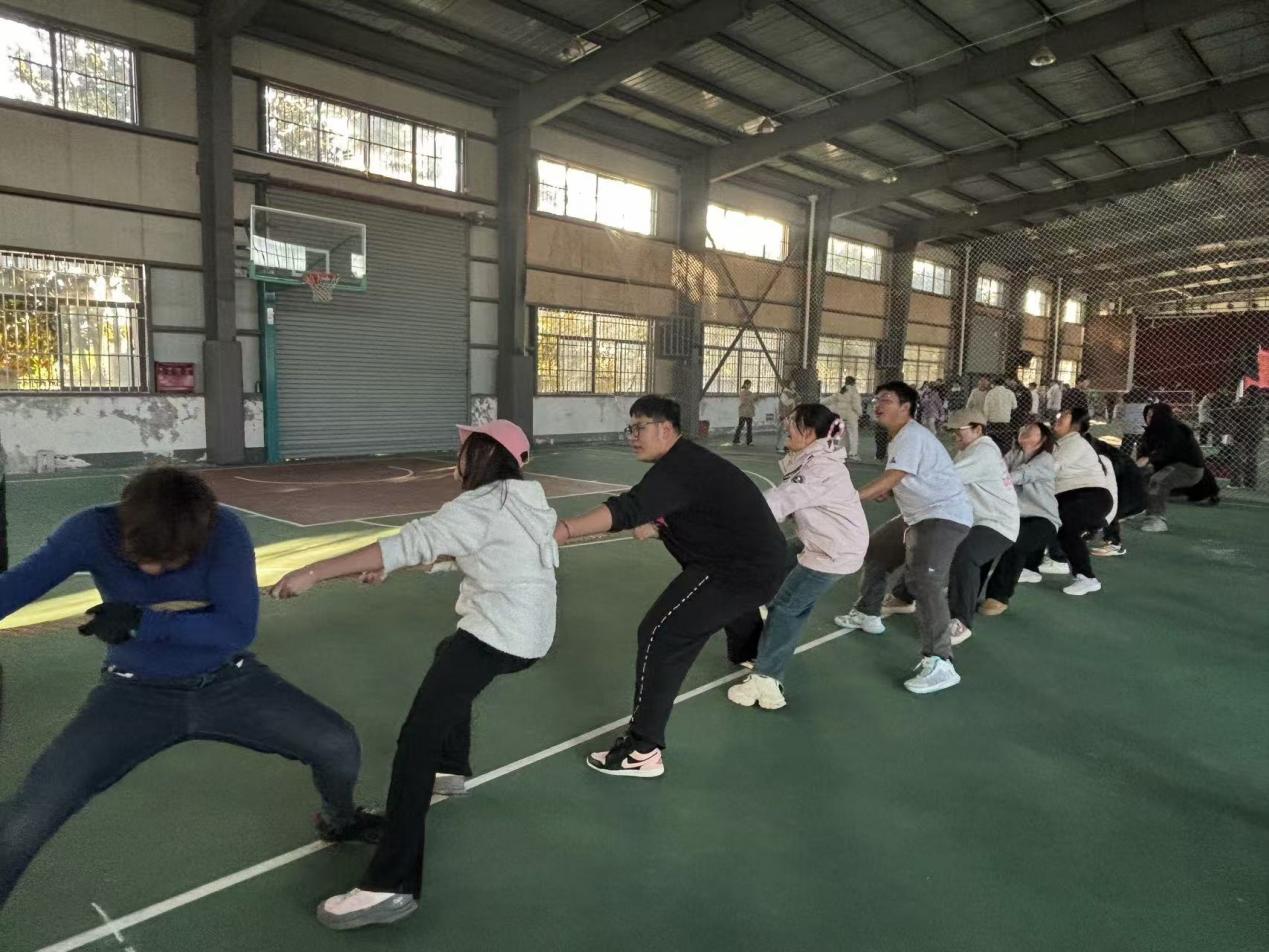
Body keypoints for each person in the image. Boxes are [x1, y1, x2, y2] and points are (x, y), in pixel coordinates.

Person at [0, 468, 380, 911]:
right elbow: (16, 587)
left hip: (228, 682)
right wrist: (169, 622)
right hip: (132, 694)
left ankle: (340, 820)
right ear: (125, 528)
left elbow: (236, 629)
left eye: (170, 562)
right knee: (31, 812)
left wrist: (143, 622)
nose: (155, 571)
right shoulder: (90, 530)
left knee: (337, 743)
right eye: (145, 559)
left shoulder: (225, 532)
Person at [272, 420, 559, 930]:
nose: (456, 460)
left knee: (414, 744)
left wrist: (313, 572)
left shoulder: (477, 506)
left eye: (463, 450)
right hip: (532, 636)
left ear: (480, 457)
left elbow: (411, 541)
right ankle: (453, 768)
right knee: (446, 653)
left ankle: (390, 885)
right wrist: (396, 566)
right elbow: (477, 549)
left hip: (496, 634)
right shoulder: (527, 500)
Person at [555, 395, 786, 776]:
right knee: (717, 611)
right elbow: (698, 510)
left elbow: (628, 508)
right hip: (750, 562)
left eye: (639, 427)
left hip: (737, 569)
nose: (632, 436)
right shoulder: (687, 462)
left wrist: (564, 530)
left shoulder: (681, 467)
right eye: (630, 428)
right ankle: (752, 650)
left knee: (661, 633)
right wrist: (660, 525)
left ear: (665, 429)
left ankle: (642, 750)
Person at [835, 382, 973, 695]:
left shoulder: (911, 435)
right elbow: (904, 478)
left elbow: (895, 476)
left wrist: (852, 498)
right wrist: (888, 490)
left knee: (924, 580)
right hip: (917, 516)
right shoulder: (901, 438)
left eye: (886, 399)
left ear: (906, 407)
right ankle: (868, 612)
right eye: (876, 399)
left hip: (942, 515)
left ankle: (940, 662)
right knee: (877, 550)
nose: (877, 404)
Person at [727, 404, 868, 710]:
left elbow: (777, 502)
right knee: (774, 559)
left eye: (792, 422)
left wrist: (726, 516)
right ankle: (767, 615)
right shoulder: (813, 458)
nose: (785, 426)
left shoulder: (818, 468)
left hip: (832, 551)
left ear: (809, 432)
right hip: (822, 541)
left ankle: (766, 680)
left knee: (787, 609)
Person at [884, 408, 1019, 644]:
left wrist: (892, 485)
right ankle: (904, 596)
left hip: (996, 523)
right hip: (970, 519)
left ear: (978, 429)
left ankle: (961, 621)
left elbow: (944, 480)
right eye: (951, 431)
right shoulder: (969, 450)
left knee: (965, 555)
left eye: (959, 431)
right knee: (928, 540)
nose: (954, 436)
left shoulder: (983, 452)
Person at [981, 421, 1061, 615]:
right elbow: (997, 469)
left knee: (1016, 545)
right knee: (984, 540)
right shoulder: (1014, 454)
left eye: (1031, 430)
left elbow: (1020, 475)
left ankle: (998, 597)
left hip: (1042, 519)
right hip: (1012, 517)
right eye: (1023, 428)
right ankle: (967, 589)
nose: (1024, 430)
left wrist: (994, 479)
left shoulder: (1045, 459)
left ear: (1042, 439)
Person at [1048, 407, 1114, 595]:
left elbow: (1051, 468)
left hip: (1090, 497)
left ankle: (1087, 578)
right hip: (1071, 497)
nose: (1059, 418)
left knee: (1067, 527)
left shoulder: (1075, 442)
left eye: (1064, 416)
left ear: (1076, 424)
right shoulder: (1061, 443)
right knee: (1052, 522)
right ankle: (1047, 562)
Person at [1135, 402, 1206, 532]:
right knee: (1138, 476)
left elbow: (1169, 450)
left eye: (1153, 415)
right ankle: (1134, 508)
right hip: (1167, 467)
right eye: (1147, 415)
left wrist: (1149, 458)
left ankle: (1156, 519)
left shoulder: (1177, 429)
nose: (1149, 418)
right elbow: (1142, 455)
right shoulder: (1149, 432)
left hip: (1189, 469)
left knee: (1158, 480)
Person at [1090, 436, 1146, 558]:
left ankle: (1114, 543)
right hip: (1126, 487)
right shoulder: (1092, 447)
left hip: (1129, 492)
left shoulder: (1095, 453)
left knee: (1106, 506)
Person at [1229, 386, 1265, 490]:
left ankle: (1235, 482)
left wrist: (1235, 406)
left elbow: (1236, 416)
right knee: (1251, 456)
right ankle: (1250, 482)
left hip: (1243, 432)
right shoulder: (1262, 403)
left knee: (1237, 456)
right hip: (1256, 432)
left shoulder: (1246, 403)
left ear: (1248, 394)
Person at [1116, 387, 1151, 461]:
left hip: (1129, 431)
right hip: (1142, 431)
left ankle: (1122, 462)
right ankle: (1141, 464)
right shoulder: (1147, 406)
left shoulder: (1125, 406)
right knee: (1142, 451)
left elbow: (1119, 417)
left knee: (1126, 450)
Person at [983, 376, 1018, 450]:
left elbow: (986, 408)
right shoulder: (1010, 392)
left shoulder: (990, 393)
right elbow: (1014, 406)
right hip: (1005, 421)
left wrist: (986, 420)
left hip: (993, 421)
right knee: (1005, 441)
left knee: (993, 442)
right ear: (1004, 384)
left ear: (994, 384)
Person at [734, 379, 756, 446]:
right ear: (746, 385)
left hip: (749, 412)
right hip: (743, 412)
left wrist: (753, 397)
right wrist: (751, 397)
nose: (750, 386)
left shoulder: (750, 393)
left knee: (749, 427)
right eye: (749, 385)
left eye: (750, 385)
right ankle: (736, 440)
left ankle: (749, 441)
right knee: (740, 426)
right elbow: (744, 400)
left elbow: (753, 400)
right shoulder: (742, 392)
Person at [777, 382, 797, 453]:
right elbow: (785, 403)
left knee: (786, 431)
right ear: (789, 385)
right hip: (785, 414)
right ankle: (780, 447)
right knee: (784, 431)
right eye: (792, 384)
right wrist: (793, 400)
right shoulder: (785, 393)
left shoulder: (792, 393)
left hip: (789, 414)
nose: (794, 385)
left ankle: (784, 447)